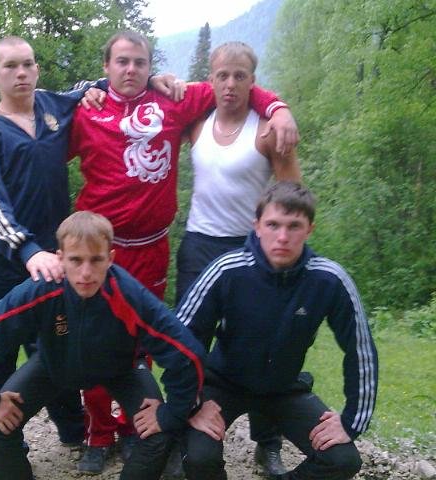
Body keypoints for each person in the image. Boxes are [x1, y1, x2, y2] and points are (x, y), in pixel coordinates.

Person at [68, 30, 299, 475]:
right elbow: (38, 133)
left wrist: (277, 107)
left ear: (150, 66)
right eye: (121, 62)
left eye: (140, 62)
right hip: (100, 250)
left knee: (147, 342)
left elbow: (234, 86)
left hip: (154, 246)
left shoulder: (173, 101)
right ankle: (98, 433)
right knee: (93, 338)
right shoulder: (86, 110)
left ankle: (140, 428)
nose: (131, 69)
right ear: (106, 67)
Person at [0, 211, 206, 480]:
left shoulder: (128, 294)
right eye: (76, 260)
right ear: (60, 258)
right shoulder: (42, 289)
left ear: (110, 259)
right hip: (53, 366)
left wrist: (170, 414)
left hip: (121, 369)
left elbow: (188, 355)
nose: (86, 273)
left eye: (96, 260)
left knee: (159, 434)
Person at [176, 181, 378, 480]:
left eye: (294, 226)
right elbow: (181, 340)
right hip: (222, 384)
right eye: (273, 224)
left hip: (283, 387)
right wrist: (194, 405)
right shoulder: (226, 270)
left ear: (309, 229)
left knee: (342, 460)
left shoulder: (329, 279)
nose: (282, 237)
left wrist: (350, 422)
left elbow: (361, 351)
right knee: (198, 458)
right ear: (257, 226)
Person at [175, 41, 301, 475]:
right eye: (222, 75)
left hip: (250, 248)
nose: (230, 84)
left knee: (262, 342)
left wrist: (283, 249)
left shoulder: (267, 131)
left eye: (240, 76)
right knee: (188, 342)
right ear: (210, 79)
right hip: (199, 245)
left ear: (253, 81)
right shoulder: (197, 123)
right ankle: (183, 431)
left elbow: (292, 196)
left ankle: (268, 442)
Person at [0, 35, 93, 447]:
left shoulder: (54, 106)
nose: (21, 73)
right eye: (11, 66)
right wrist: (25, 248)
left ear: (36, 69)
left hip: (52, 259)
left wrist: (157, 81)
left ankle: (75, 433)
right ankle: (6, 438)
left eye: (28, 64)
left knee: (59, 342)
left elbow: (95, 86)